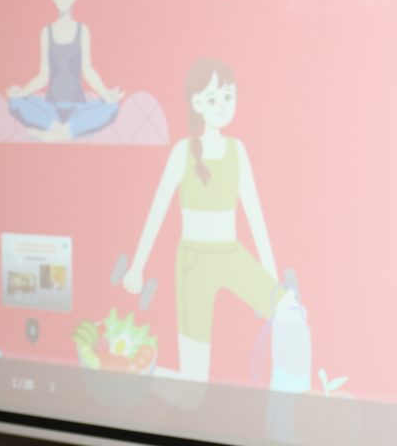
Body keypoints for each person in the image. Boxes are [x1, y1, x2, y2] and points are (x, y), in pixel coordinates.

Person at [122, 59, 293, 381]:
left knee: (290, 315)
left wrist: (271, 275)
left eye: (228, 96)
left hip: (231, 254)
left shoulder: (237, 151)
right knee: (194, 385)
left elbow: (255, 216)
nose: (222, 106)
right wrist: (136, 267)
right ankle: (134, 376)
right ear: (197, 104)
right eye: (213, 99)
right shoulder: (182, 152)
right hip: (194, 264)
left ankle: (287, 398)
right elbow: (157, 211)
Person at [6, 0, 124, 141]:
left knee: (112, 106)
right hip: (50, 108)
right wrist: (21, 92)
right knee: (15, 102)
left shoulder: (82, 30)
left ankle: (55, 134)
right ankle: (61, 130)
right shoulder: (46, 32)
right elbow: (42, 77)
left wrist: (106, 94)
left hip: (78, 108)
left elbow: (88, 71)